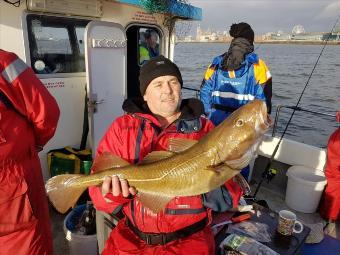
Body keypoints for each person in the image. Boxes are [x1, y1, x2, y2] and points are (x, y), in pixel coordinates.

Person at [89, 55, 243, 255]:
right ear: (145, 94)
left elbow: (229, 198)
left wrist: (209, 182)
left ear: (180, 88)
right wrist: (112, 194)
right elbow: (97, 194)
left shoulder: (205, 129)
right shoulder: (122, 128)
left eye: (173, 82)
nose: (168, 90)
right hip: (131, 239)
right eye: (158, 84)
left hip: (189, 242)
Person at [0, 49, 60, 254]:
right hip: (17, 201)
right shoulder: (4, 63)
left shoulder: (5, 65)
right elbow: (47, 114)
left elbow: (47, 114)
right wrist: (34, 145)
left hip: (16, 210)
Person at [200, 22, 272, 179]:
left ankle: (212, 190)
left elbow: (204, 91)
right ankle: (237, 193)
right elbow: (264, 101)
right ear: (251, 42)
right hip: (242, 126)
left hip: (214, 120)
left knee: (214, 161)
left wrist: (207, 115)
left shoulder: (216, 62)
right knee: (238, 164)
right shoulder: (258, 66)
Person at [319, 123, 340, 222]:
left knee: (332, 185)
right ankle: (330, 217)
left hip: (336, 141)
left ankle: (326, 214)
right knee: (335, 188)